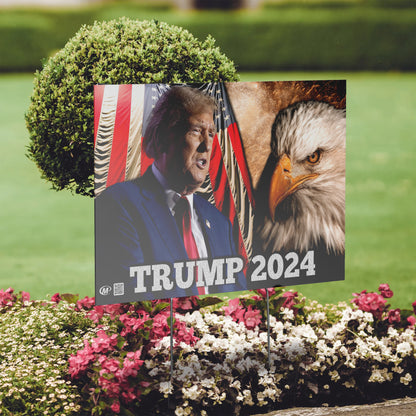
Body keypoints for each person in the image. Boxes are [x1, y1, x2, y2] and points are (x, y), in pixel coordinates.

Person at [95, 86, 246, 304]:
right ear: (163, 138)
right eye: (195, 131)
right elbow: (129, 292)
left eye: (211, 133)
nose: (206, 145)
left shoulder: (219, 221)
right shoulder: (119, 204)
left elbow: (236, 293)